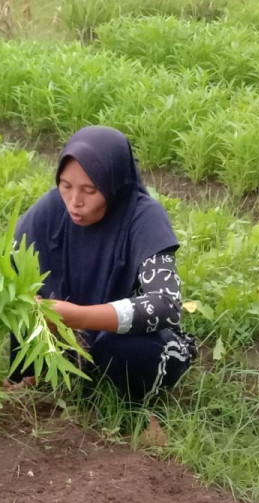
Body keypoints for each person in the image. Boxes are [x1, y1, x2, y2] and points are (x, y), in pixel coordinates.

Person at [11, 126, 198, 401]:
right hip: (68, 341)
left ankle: (138, 409)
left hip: (129, 341)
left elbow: (166, 306)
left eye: (90, 190)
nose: (75, 202)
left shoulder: (144, 217)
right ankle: (40, 373)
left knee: (127, 347)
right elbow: (14, 283)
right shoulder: (49, 211)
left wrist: (79, 316)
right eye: (66, 186)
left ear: (114, 184)